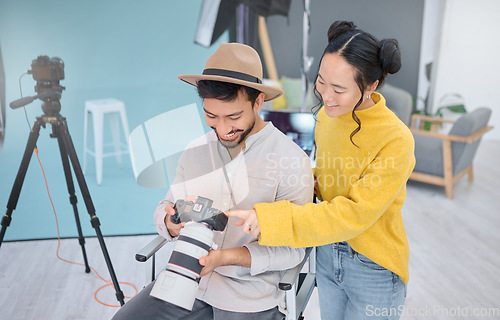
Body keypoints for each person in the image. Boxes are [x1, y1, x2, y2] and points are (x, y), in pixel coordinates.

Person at [226, 21, 416, 320]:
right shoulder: (329, 117)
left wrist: (271, 219)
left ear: (371, 86)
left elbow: (353, 214)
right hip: (327, 251)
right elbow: (332, 180)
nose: (326, 96)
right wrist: (302, 181)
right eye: (321, 81)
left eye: (339, 89)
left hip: (374, 267)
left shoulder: (396, 139)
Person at [112, 42, 314, 320]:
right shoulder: (196, 150)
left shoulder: (291, 160)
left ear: (257, 102)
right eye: (211, 116)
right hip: (185, 282)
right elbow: (166, 207)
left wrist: (227, 257)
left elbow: (293, 251)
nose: (222, 129)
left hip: (248, 295)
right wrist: (171, 223)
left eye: (234, 117)